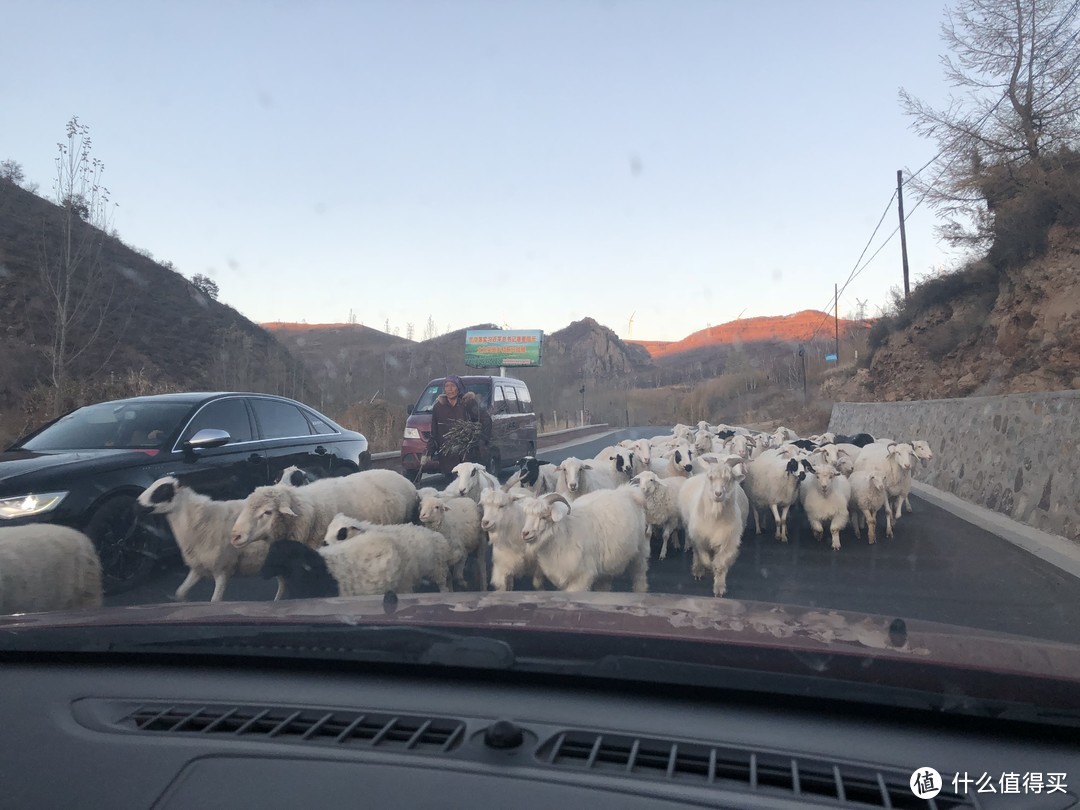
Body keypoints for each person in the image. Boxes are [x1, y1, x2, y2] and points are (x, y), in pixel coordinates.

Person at [428, 375, 492, 475]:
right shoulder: (439, 407)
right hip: (447, 456)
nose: (449, 389)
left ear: (459, 388)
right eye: (447, 386)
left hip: (467, 455)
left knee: (467, 486)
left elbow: (486, 420)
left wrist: (482, 440)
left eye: (453, 386)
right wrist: (429, 451)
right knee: (451, 486)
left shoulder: (468, 403)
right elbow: (434, 432)